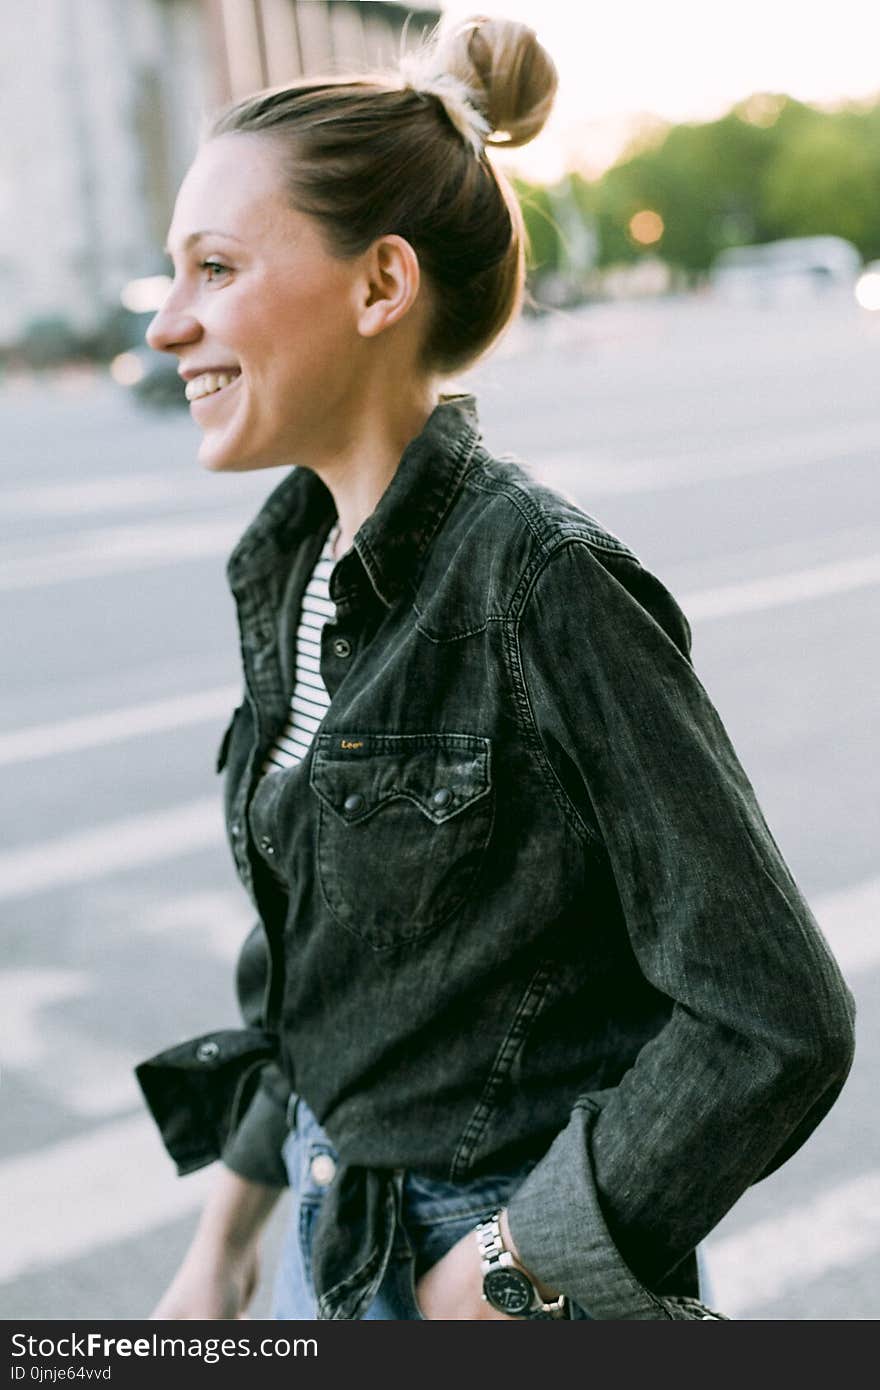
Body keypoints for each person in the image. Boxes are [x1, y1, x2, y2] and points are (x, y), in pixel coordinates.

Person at [135, 15, 855, 1322]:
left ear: (379, 285)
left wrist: (516, 1272)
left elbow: (774, 1012)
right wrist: (224, 1239)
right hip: (327, 1229)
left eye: (216, 268)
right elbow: (327, 972)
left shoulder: (541, 583)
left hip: (482, 1266)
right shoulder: (293, 571)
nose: (168, 327)